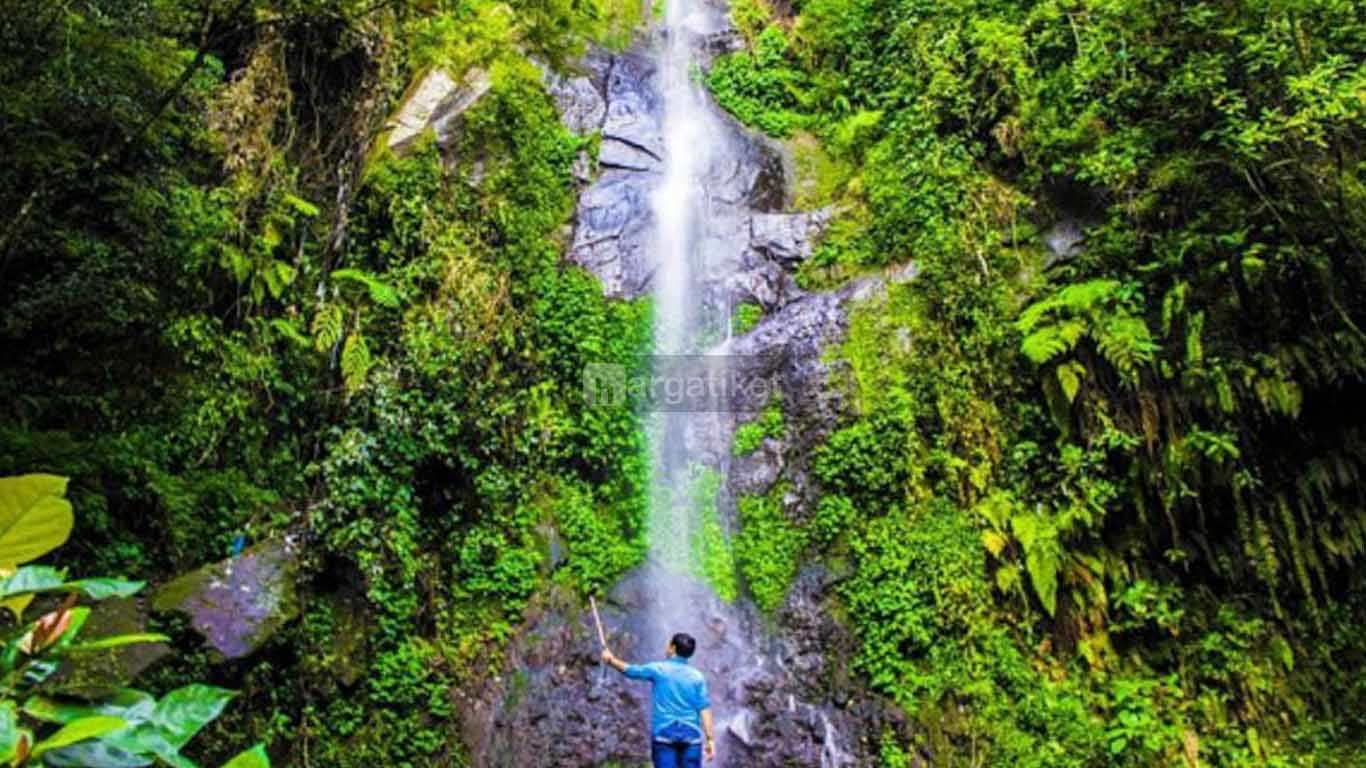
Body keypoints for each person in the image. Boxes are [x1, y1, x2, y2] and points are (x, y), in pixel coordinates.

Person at [602, 632, 716, 766]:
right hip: (691, 736)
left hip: (664, 734)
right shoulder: (697, 677)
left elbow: (632, 671)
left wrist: (610, 660)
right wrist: (710, 739)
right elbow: (704, 709)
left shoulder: (659, 669)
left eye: (668, 644)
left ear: (672, 648)